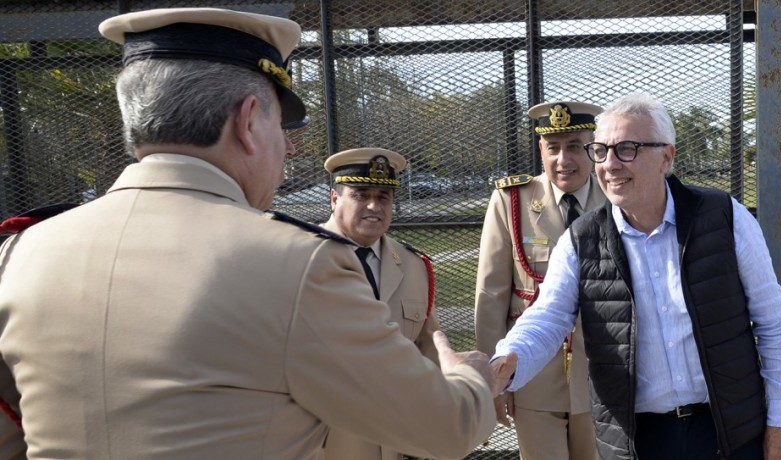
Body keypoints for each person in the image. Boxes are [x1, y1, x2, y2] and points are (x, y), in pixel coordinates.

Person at [0, 8, 496, 459]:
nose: (287, 151)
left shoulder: (20, 251)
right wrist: (467, 374)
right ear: (249, 121)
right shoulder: (297, 264)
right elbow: (447, 429)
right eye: (283, 127)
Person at [490, 92, 781, 460]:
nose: (610, 164)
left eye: (627, 149)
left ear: (666, 157)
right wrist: (508, 357)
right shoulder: (582, 240)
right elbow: (548, 316)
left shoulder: (724, 218)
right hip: (637, 440)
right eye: (601, 150)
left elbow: (774, 325)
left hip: (727, 431)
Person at [474, 101, 604, 460]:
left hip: (602, 377)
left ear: (594, 148)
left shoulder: (616, 198)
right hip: (532, 378)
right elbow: (491, 296)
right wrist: (494, 379)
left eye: (575, 146)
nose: (564, 159)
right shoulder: (511, 200)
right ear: (541, 150)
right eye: (554, 147)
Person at [320, 147, 440, 460]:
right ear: (335, 200)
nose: (374, 205)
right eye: (360, 194)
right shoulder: (300, 258)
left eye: (384, 197)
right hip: (327, 441)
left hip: (397, 440)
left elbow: (429, 346)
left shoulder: (414, 265)